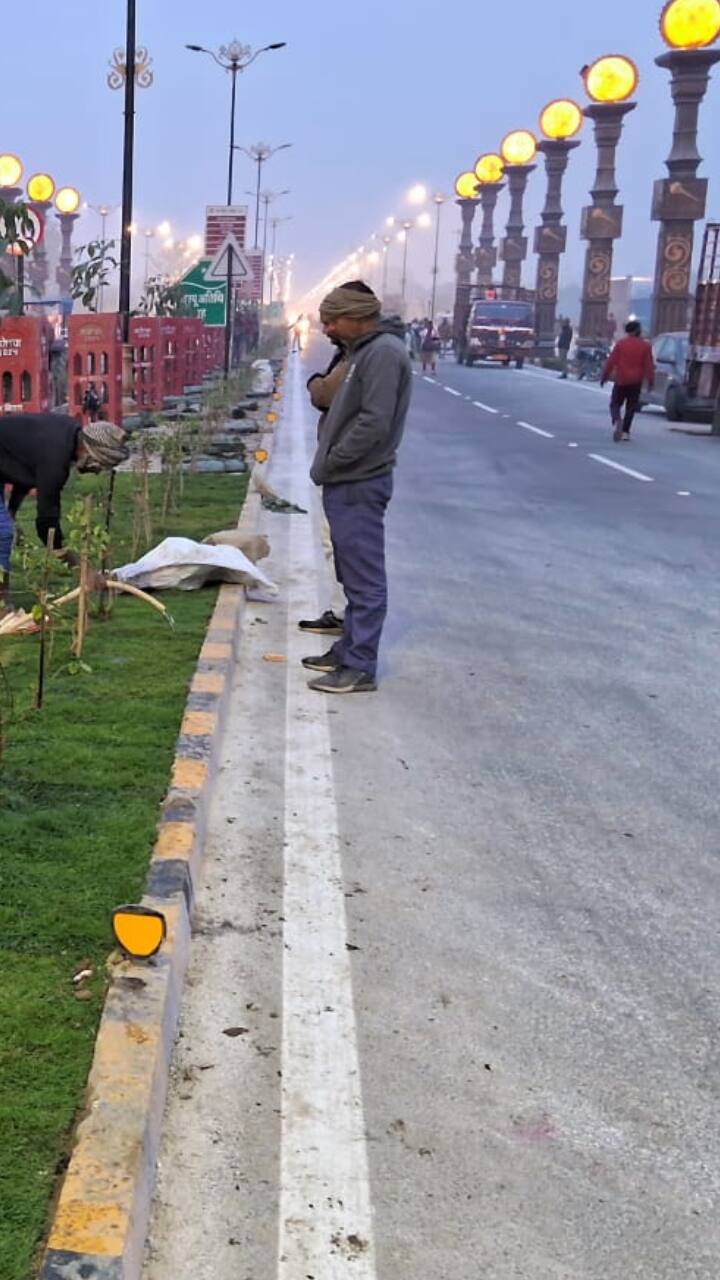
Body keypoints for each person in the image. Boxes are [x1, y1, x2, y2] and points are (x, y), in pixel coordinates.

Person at [304, 282, 411, 693]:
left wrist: (334, 460)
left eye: (334, 319)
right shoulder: (363, 351)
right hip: (347, 478)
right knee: (349, 568)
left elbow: (374, 423)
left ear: (358, 317)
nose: (328, 326)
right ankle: (347, 648)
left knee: (364, 575)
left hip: (359, 478)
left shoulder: (383, 354)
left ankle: (360, 664)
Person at [0, 415, 129, 615]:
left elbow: (23, 470)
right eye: (98, 464)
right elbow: (46, 525)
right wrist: (80, 567)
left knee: (4, 525)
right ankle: (1, 604)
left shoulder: (68, 432)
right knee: (2, 533)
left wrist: (12, 511)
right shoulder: (55, 459)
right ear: (87, 451)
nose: (95, 472)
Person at [601, 320, 655, 443]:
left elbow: (611, 362)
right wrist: (651, 381)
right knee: (631, 407)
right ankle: (625, 432)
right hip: (636, 381)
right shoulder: (645, 346)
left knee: (615, 403)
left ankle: (617, 419)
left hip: (621, 379)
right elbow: (648, 365)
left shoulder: (621, 344)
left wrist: (605, 376)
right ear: (637, 331)